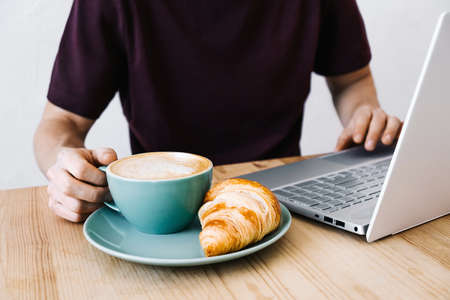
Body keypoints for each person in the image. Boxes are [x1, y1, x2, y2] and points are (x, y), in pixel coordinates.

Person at [34, 0, 402, 223]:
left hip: (287, 207)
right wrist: (64, 170)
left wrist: (365, 114)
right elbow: (59, 124)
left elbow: (352, 81)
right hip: (166, 216)